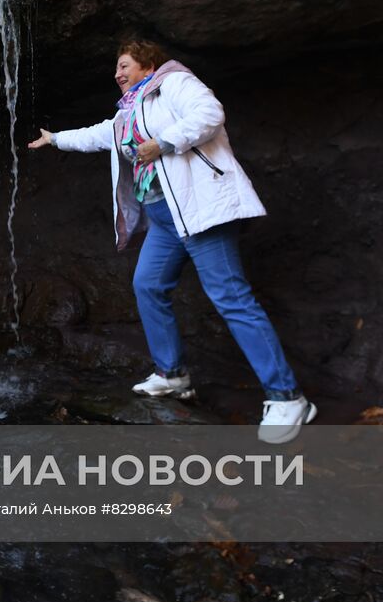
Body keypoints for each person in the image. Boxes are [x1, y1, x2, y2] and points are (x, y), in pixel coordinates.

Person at [27, 39, 316, 444]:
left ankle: (288, 396)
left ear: (148, 65)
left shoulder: (173, 83)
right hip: (166, 220)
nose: (117, 73)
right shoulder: (130, 111)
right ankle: (172, 374)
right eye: (115, 67)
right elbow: (99, 135)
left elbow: (210, 114)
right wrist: (55, 138)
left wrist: (163, 143)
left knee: (231, 297)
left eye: (124, 64)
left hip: (199, 212)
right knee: (148, 284)